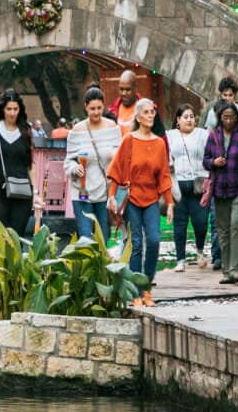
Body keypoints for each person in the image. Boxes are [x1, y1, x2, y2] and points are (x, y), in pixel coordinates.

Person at [108, 99, 174, 306]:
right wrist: (111, 196)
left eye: (152, 112)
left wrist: (170, 202)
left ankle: (147, 285)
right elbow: (116, 169)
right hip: (133, 198)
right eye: (146, 112)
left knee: (154, 240)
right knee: (136, 244)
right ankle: (137, 293)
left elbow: (164, 175)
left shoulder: (159, 143)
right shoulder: (129, 140)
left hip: (152, 198)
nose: (151, 115)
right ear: (138, 117)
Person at [203, 102, 238, 284]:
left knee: (236, 226)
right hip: (219, 190)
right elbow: (205, 160)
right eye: (225, 117)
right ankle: (226, 271)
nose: (228, 121)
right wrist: (214, 162)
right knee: (223, 232)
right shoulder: (213, 136)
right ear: (220, 118)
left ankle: (236, 270)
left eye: (232, 117)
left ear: (237, 119)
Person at [65, 87, 122, 244]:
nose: (96, 112)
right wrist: (73, 168)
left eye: (99, 108)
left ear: (103, 106)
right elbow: (68, 160)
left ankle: (102, 268)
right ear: (86, 107)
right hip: (82, 192)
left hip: (104, 192)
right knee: (85, 238)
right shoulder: (77, 130)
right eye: (92, 109)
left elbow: (120, 159)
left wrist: (113, 155)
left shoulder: (112, 128)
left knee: (103, 237)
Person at [0, 90, 39, 236]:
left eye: (15, 109)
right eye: (9, 109)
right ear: (2, 109)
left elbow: (31, 163)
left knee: (17, 237)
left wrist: (36, 192)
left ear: (20, 109)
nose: (12, 113)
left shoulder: (26, 130)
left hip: (23, 190)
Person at [168, 104, 211, 268]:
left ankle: (200, 251)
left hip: (198, 184)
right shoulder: (170, 136)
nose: (189, 120)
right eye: (185, 117)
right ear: (178, 120)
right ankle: (180, 260)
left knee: (201, 223)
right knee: (179, 225)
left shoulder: (203, 134)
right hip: (178, 185)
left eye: (192, 116)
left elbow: (210, 152)